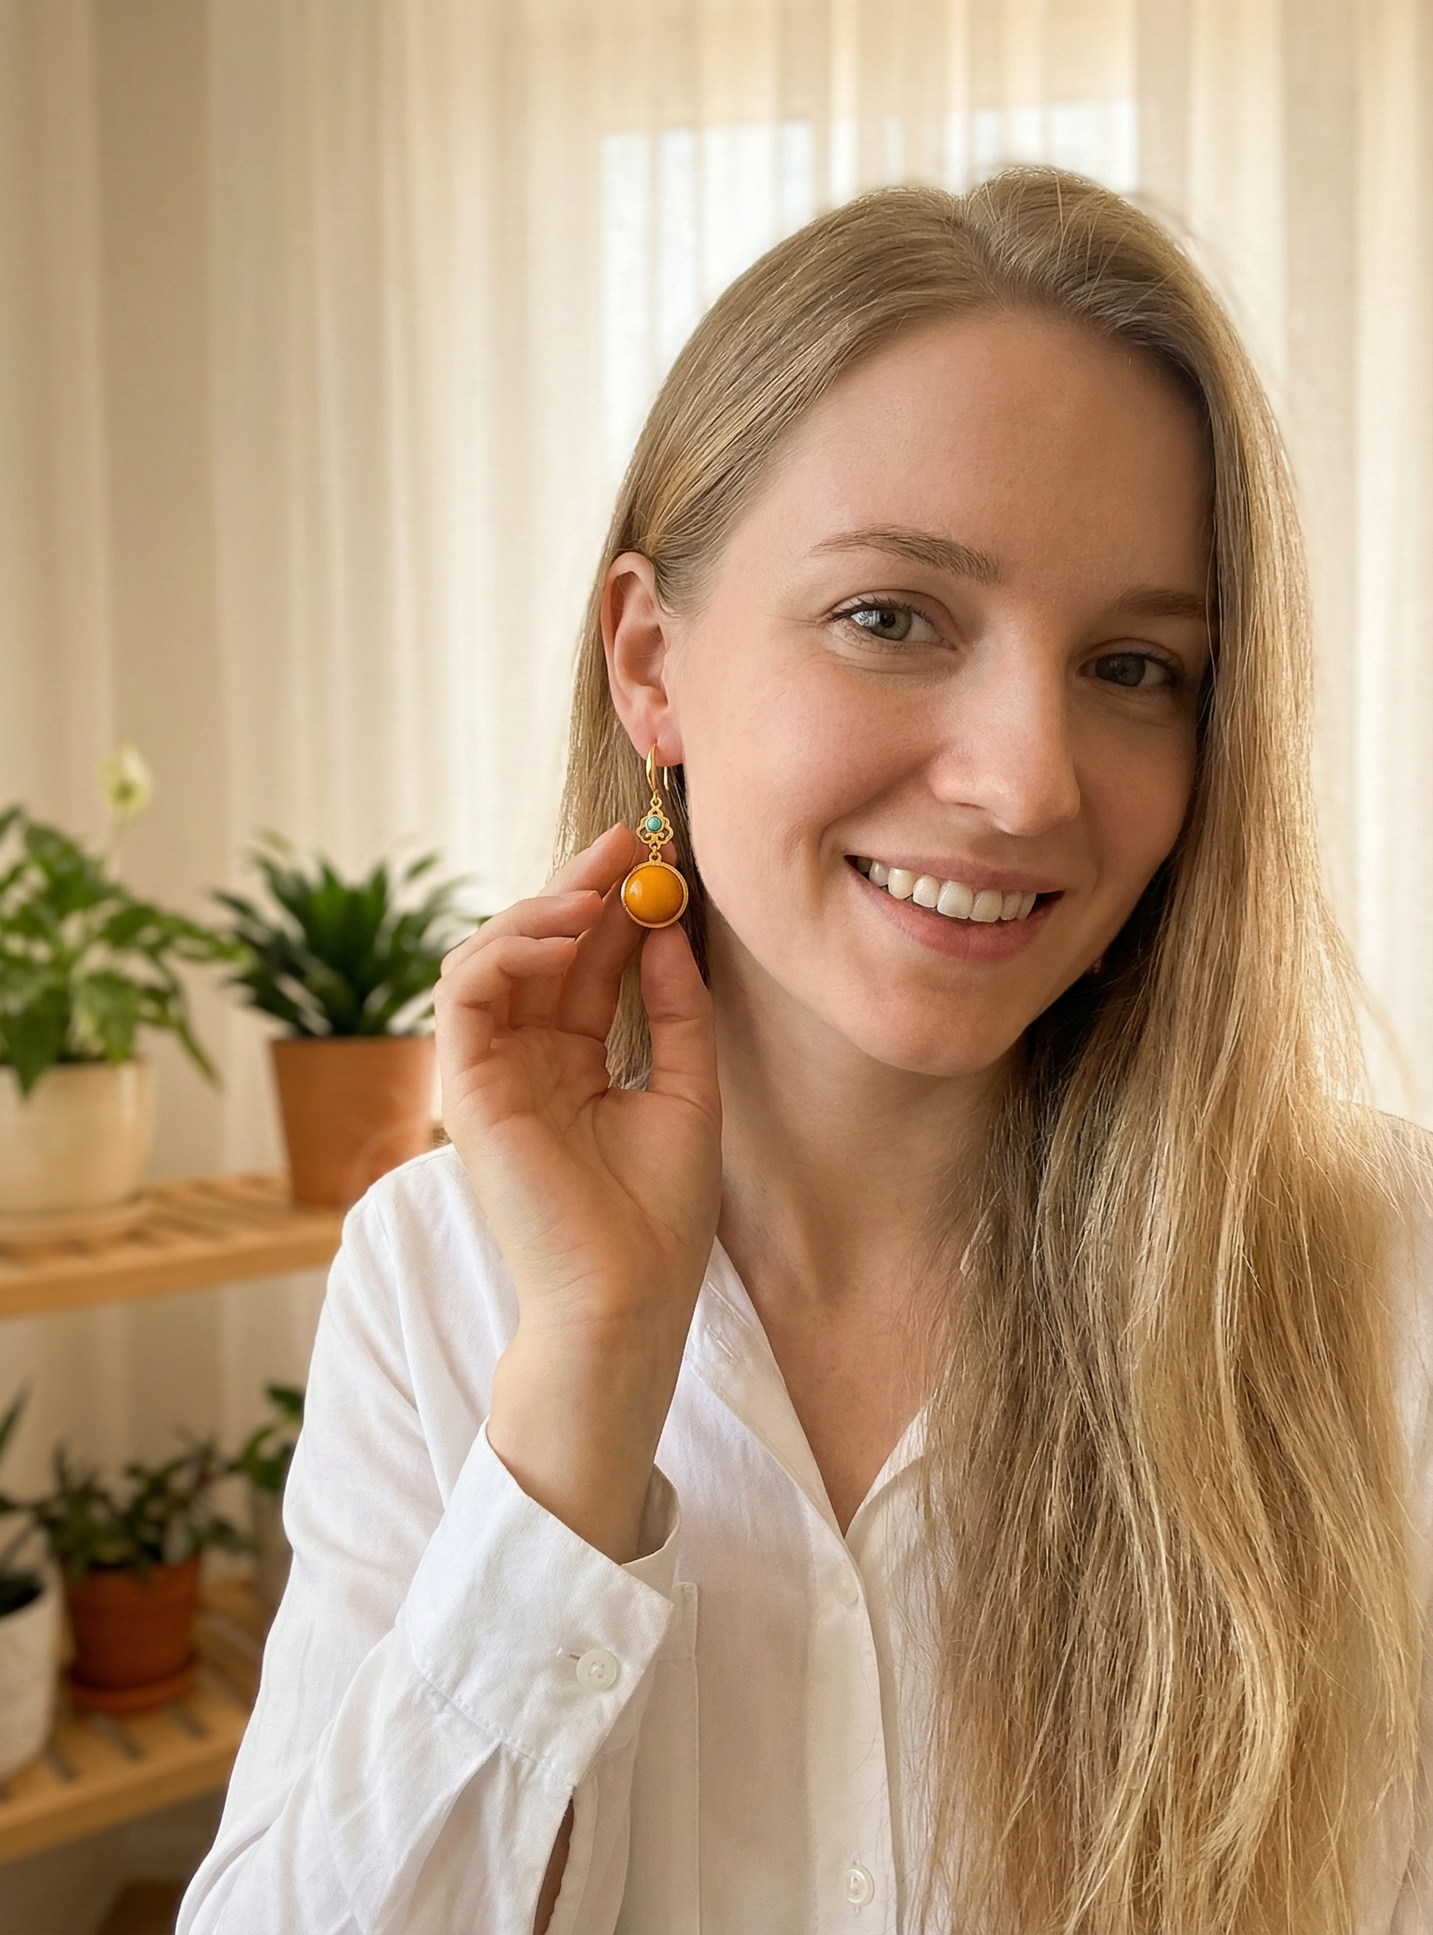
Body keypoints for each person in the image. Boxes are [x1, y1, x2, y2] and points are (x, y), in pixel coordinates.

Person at [178, 169, 1432, 1935]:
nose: (1026, 781)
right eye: (892, 616)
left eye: (1135, 665)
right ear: (652, 661)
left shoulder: (1383, 1272)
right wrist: (588, 1390)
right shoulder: (436, 1281)